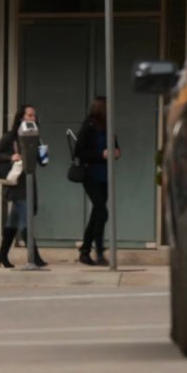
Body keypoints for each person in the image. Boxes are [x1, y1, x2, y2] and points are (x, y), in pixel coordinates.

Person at [0, 104, 48, 268]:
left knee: (12, 221)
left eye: (34, 116)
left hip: (29, 181)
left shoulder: (36, 137)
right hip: (16, 183)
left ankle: (2, 255)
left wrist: (42, 153)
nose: (33, 119)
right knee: (25, 220)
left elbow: (41, 162)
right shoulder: (11, 137)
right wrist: (11, 156)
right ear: (21, 118)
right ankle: (34, 257)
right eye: (29, 115)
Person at [74, 96, 120, 266]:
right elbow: (79, 152)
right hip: (91, 175)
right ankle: (93, 250)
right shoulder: (89, 126)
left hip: (104, 175)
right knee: (101, 211)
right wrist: (100, 155)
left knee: (98, 213)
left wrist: (116, 152)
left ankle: (89, 251)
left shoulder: (108, 127)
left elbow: (115, 146)